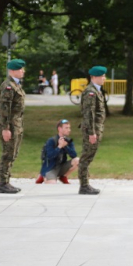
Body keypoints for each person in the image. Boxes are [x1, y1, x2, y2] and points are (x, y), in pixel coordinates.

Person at [0, 59, 27, 194]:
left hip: (16, 124)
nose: (23, 71)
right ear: (12, 71)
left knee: (13, 154)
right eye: (20, 69)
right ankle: (3, 183)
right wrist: (5, 128)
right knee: (7, 154)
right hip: (10, 125)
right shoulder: (8, 86)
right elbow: (4, 110)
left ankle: (7, 181)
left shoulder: (16, 85)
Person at [78, 66, 107, 195]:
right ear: (94, 77)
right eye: (102, 76)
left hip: (95, 128)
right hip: (92, 129)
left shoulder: (96, 90)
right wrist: (92, 132)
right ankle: (84, 185)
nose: (104, 78)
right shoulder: (91, 92)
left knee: (89, 156)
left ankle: (85, 184)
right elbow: (89, 114)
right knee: (86, 157)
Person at [37, 119, 79, 184]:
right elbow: (50, 156)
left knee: (78, 160)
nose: (69, 130)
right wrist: (59, 146)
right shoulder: (51, 141)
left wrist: (65, 146)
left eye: (69, 128)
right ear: (59, 129)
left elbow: (74, 155)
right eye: (66, 128)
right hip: (50, 168)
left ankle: (63, 176)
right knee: (52, 185)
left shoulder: (68, 141)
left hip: (61, 167)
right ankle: (43, 175)